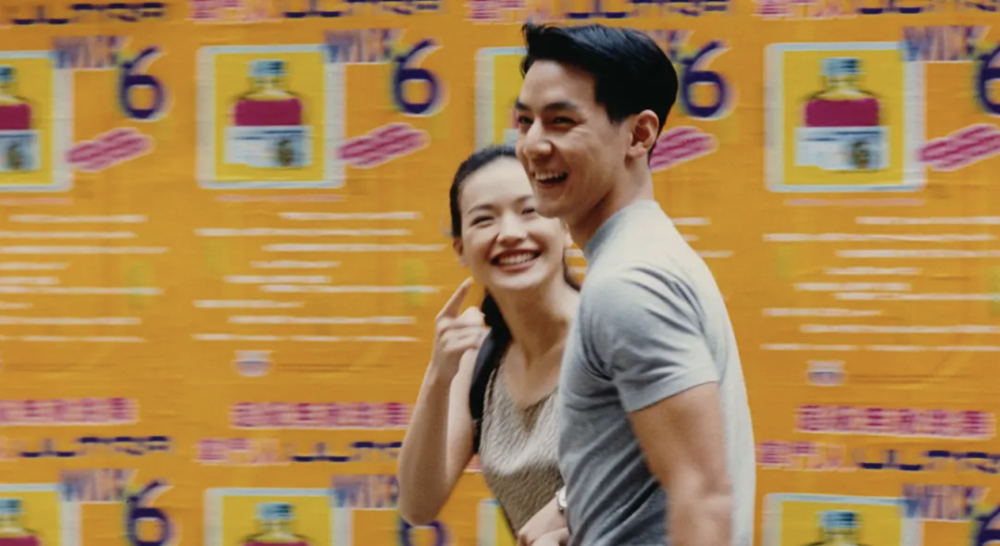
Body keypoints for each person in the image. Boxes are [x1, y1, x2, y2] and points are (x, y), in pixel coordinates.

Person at [513, 23, 756, 546]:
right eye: (525, 121)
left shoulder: (629, 283)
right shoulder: (642, 257)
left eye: (561, 121)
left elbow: (703, 496)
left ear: (640, 135)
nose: (533, 145)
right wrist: (574, 514)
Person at [398, 144, 581, 546]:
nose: (511, 233)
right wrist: (439, 376)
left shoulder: (612, 331)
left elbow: (675, 468)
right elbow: (417, 504)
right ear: (460, 248)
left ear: (565, 225)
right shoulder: (480, 360)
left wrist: (569, 504)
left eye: (530, 210)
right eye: (484, 219)